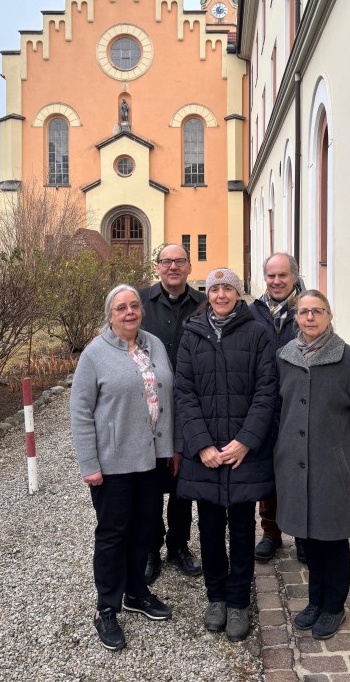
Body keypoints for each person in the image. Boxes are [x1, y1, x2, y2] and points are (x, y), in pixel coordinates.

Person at [175, 268, 277, 643]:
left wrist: (245, 442)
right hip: (207, 455)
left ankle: (238, 602)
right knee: (211, 529)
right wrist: (201, 444)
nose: (220, 295)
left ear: (238, 294)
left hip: (241, 453)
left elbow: (267, 391)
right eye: (214, 288)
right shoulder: (192, 334)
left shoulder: (256, 334)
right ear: (208, 294)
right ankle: (216, 597)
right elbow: (183, 392)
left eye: (227, 289)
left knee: (243, 528)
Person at [70, 284, 174, 652]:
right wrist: (89, 464)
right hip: (112, 465)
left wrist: (170, 449)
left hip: (150, 460)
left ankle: (136, 593)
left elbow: (166, 398)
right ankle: (106, 608)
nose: (129, 312)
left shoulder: (154, 345)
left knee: (144, 530)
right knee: (113, 535)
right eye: (121, 308)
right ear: (110, 315)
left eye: (134, 306)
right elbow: (80, 413)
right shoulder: (95, 355)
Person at [274, 290, 350, 640]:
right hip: (294, 462)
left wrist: (343, 452)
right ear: (296, 318)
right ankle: (315, 600)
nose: (310, 318)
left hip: (331, 466)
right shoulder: (285, 357)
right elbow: (280, 408)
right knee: (308, 535)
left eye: (317, 311)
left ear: (329, 316)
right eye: (303, 312)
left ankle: (334, 604)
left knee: (332, 536)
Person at [139, 243, 206, 583]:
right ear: (158, 267)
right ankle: (151, 548)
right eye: (166, 262)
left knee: (183, 484)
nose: (173, 267)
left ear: (189, 267)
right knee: (149, 483)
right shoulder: (141, 303)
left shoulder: (203, 305)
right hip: (148, 407)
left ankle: (178, 545)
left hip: (190, 404)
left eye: (179, 261)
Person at [250, 252, 306, 564]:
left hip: (298, 403)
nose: (276, 281)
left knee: (299, 472)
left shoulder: (307, 308)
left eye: (282, 275)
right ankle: (271, 532)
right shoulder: (253, 311)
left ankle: (303, 534)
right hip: (264, 404)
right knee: (267, 470)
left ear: (294, 277)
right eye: (271, 276)